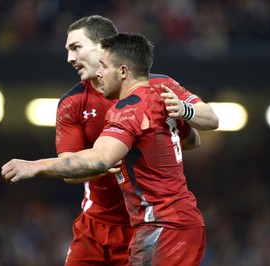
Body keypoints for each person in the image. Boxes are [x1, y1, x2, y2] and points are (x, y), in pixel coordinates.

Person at [2, 32, 207, 265]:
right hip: (171, 223)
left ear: (122, 71)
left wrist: (35, 166)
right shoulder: (159, 97)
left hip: (163, 226)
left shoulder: (129, 109)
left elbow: (100, 159)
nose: (100, 73)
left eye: (104, 66)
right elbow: (192, 139)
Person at [59, 15, 217, 265]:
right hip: (95, 225)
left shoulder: (156, 88)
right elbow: (68, 169)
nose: (70, 58)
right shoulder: (72, 104)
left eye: (76, 48)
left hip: (145, 223)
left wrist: (180, 117)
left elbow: (194, 137)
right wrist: (101, 163)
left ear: (103, 46)